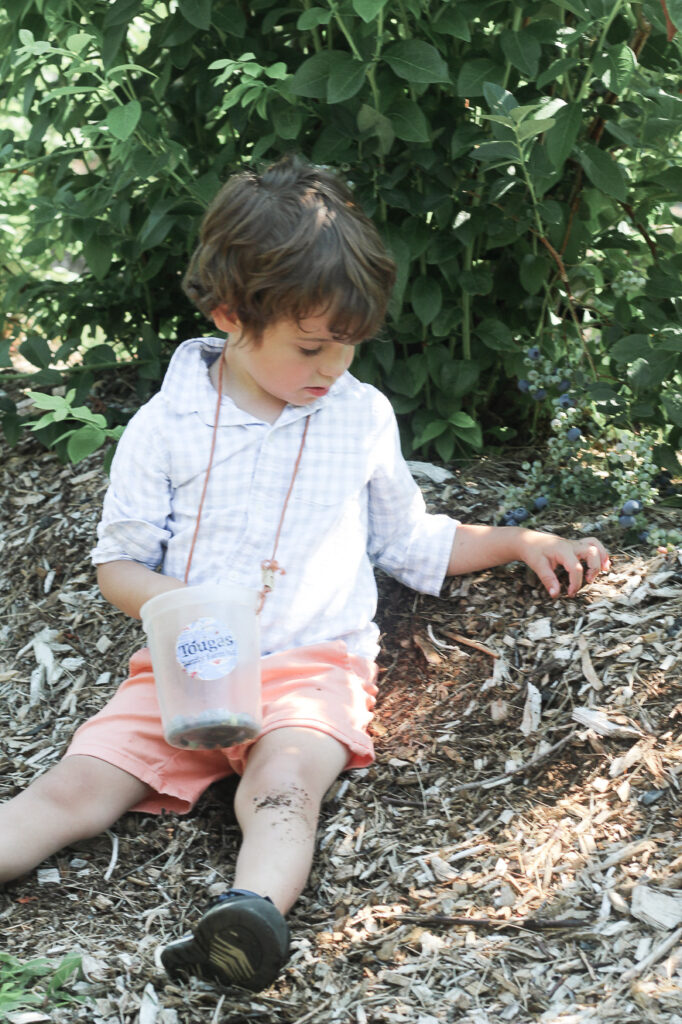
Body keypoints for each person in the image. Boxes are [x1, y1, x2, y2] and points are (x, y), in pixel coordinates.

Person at [0, 155, 610, 993]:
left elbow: (410, 541)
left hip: (310, 668)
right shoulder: (169, 423)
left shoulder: (357, 416)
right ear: (229, 315)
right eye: (312, 346)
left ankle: (247, 918)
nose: (333, 367)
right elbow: (119, 565)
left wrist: (516, 540)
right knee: (75, 786)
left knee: (286, 788)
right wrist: (181, 602)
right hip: (186, 668)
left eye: (350, 346)